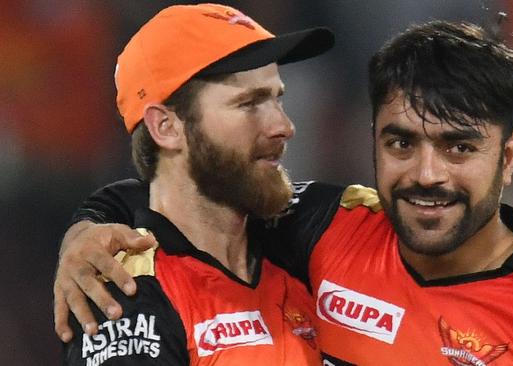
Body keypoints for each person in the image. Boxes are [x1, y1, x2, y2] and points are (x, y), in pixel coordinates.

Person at [55, 20, 513, 365]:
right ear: (373, 140)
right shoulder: (327, 227)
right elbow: (182, 200)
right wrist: (87, 228)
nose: (427, 175)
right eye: (402, 144)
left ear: (507, 155)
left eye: (459, 148)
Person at [58, 3, 334, 365]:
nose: (283, 126)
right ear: (166, 127)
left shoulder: (306, 247)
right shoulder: (128, 294)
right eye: (248, 103)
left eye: (276, 98)